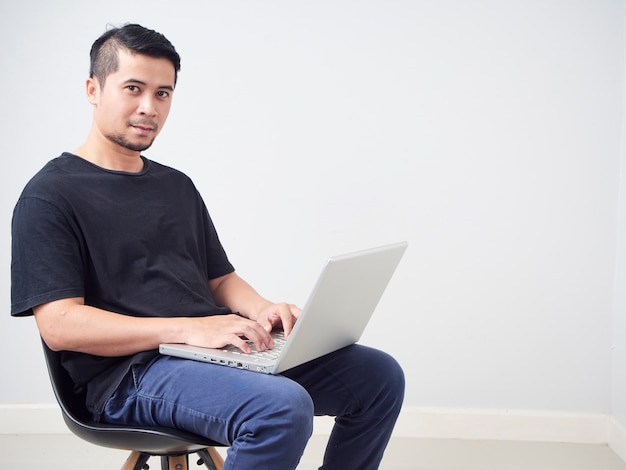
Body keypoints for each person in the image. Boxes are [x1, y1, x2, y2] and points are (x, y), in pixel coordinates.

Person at [11, 24, 404, 469]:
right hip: (129, 376)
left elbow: (220, 278)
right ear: (93, 89)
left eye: (163, 93)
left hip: (211, 351)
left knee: (378, 376)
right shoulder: (50, 195)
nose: (148, 107)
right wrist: (187, 330)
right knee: (280, 408)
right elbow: (60, 325)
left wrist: (260, 309)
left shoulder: (175, 186)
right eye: (133, 89)